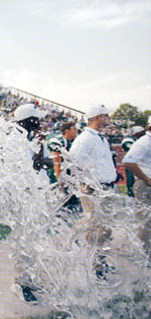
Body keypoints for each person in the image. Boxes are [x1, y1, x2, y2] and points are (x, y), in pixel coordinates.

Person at [69, 103, 117, 278]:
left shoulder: (99, 137)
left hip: (105, 188)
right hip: (95, 189)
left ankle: (100, 263)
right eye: (106, 116)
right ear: (98, 118)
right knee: (96, 228)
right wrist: (85, 182)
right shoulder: (86, 138)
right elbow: (73, 161)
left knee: (104, 229)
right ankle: (94, 266)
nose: (108, 119)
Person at [11, 103, 49, 304]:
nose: (41, 122)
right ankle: (19, 284)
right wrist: (39, 149)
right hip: (24, 195)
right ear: (28, 119)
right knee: (23, 241)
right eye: (37, 119)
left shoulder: (32, 138)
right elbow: (33, 167)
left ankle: (28, 279)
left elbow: (46, 163)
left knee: (34, 239)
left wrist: (40, 147)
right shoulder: (13, 140)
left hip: (37, 192)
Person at [122, 116, 151, 261]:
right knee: (146, 223)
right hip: (145, 186)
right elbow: (128, 161)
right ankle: (145, 258)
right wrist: (146, 178)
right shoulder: (144, 142)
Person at [47, 122, 82, 216]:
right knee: (61, 203)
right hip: (60, 176)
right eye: (74, 129)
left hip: (70, 177)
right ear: (67, 131)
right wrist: (59, 178)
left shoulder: (73, 142)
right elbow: (56, 159)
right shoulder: (60, 140)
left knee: (73, 203)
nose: (76, 131)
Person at [121, 125, 146, 197]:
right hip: (133, 165)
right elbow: (129, 148)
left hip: (143, 165)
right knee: (132, 183)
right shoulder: (129, 140)